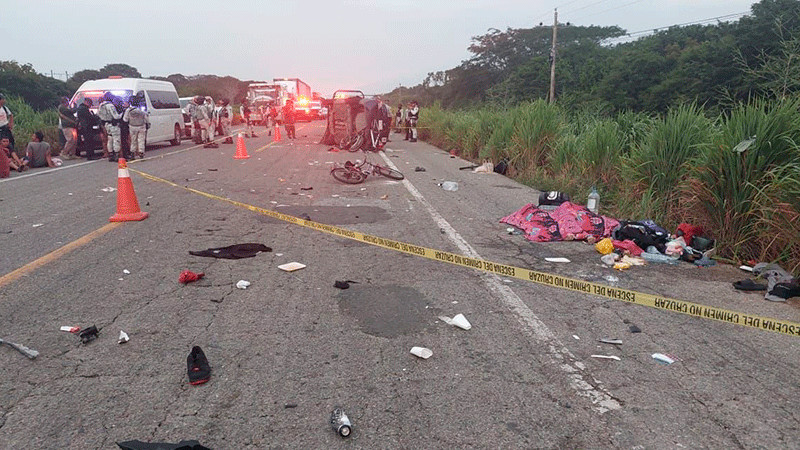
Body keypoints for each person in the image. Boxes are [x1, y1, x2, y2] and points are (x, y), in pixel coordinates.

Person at [97, 92, 123, 161]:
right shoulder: (110, 106)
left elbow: (98, 115)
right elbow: (116, 116)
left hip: (106, 124)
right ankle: (116, 154)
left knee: (110, 139)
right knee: (116, 139)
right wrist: (122, 113)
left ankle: (110, 154)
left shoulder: (101, 105)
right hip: (113, 124)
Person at [123, 95, 150, 159]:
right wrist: (148, 124)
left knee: (133, 140)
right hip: (141, 126)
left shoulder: (128, 110)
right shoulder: (141, 110)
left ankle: (132, 152)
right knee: (141, 139)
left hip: (132, 126)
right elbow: (146, 118)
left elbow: (125, 119)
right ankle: (141, 152)